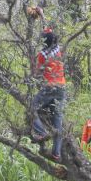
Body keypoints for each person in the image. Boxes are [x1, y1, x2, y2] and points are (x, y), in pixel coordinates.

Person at [31, 26, 66, 162]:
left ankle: (41, 132)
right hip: (61, 87)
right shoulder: (59, 49)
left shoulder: (43, 54)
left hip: (49, 87)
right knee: (58, 120)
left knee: (31, 108)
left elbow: (37, 73)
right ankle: (56, 153)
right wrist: (42, 14)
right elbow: (51, 31)